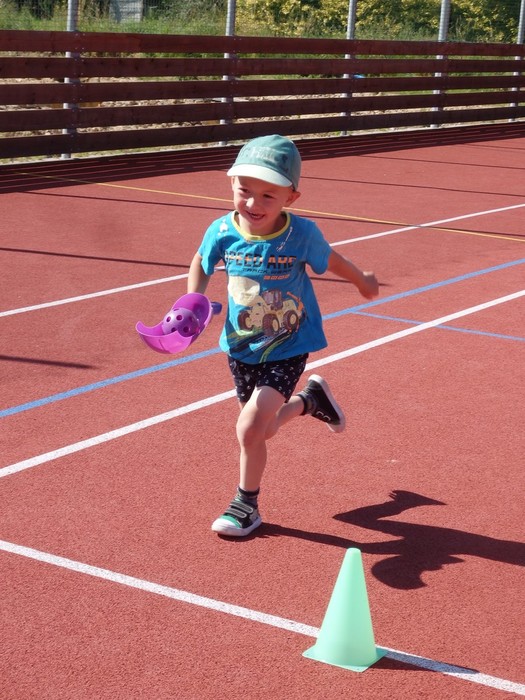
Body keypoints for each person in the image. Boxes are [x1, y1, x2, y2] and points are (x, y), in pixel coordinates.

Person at [187, 134, 379, 537]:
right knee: (264, 428)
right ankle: (310, 401)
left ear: (291, 197)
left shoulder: (301, 234)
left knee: (249, 428)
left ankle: (246, 505)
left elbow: (332, 260)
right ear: (232, 184)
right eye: (245, 191)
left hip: (288, 344)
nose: (253, 204)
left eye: (268, 196)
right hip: (240, 346)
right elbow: (202, 262)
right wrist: (193, 299)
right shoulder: (221, 230)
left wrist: (361, 279)